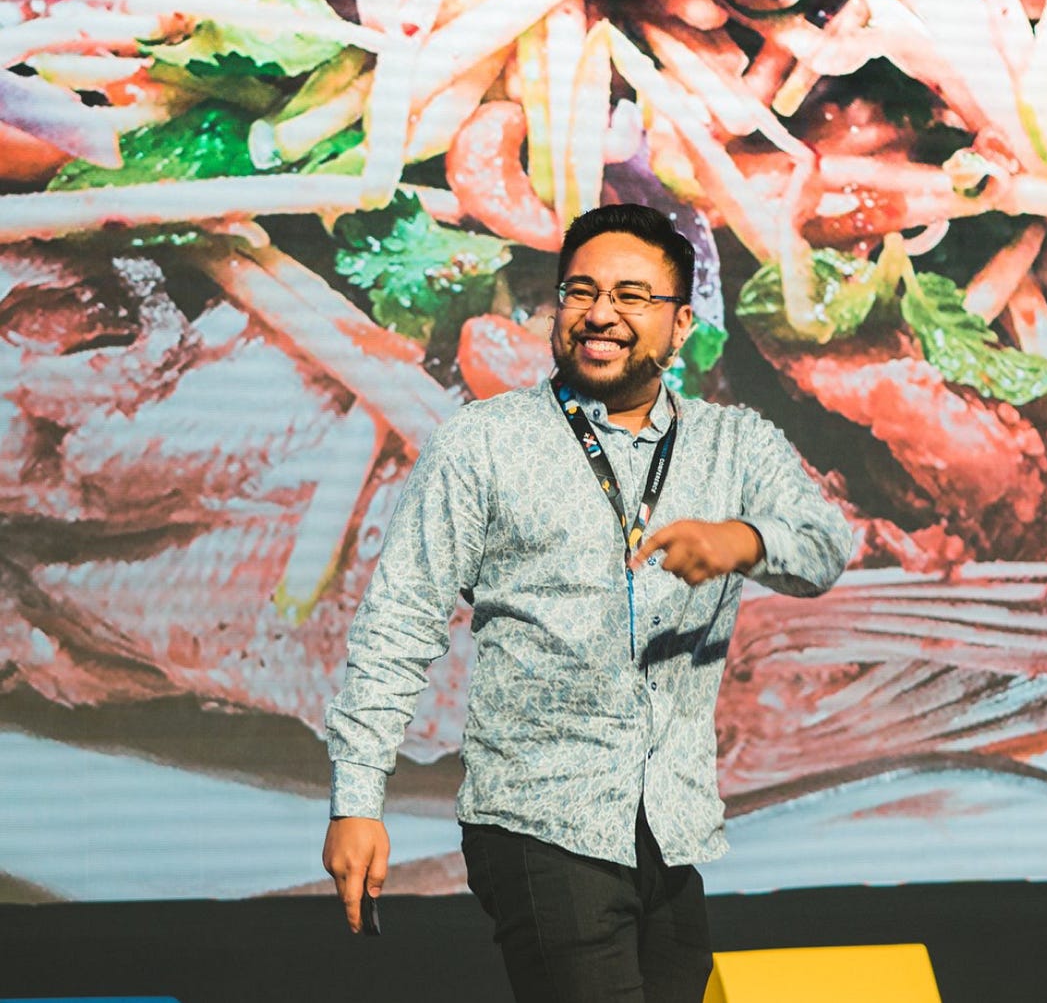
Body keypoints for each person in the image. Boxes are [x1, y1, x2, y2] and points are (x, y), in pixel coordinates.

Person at [321, 203, 852, 1002]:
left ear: (679, 327)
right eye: (581, 291)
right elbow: (399, 619)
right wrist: (357, 798)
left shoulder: (734, 443)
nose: (601, 312)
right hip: (541, 820)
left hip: (670, 826)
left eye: (633, 296)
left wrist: (742, 541)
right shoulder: (484, 441)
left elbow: (824, 546)